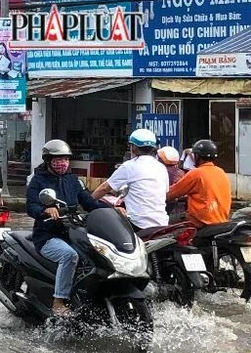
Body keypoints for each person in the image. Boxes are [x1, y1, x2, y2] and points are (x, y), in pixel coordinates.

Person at [26, 139, 110, 315]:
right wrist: (45, 210)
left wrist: (113, 211)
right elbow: (31, 207)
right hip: (47, 236)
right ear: (48, 161)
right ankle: (59, 301)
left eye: (65, 159)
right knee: (69, 256)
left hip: (72, 233)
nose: (62, 163)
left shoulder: (73, 180)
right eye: (57, 159)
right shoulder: (38, 181)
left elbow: (89, 202)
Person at [92, 128, 169, 229]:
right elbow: (165, 192)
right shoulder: (161, 167)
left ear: (134, 148)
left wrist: (88, 201)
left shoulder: (129, 166)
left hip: (138, 224)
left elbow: (104, 188)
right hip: (162, 223)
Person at [167, 139, 231, 228]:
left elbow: (171, 193)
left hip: (201, 222)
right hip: (221, 221)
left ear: (197, 156)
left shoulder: (196, 173)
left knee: (168, 223)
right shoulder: (221, 172)